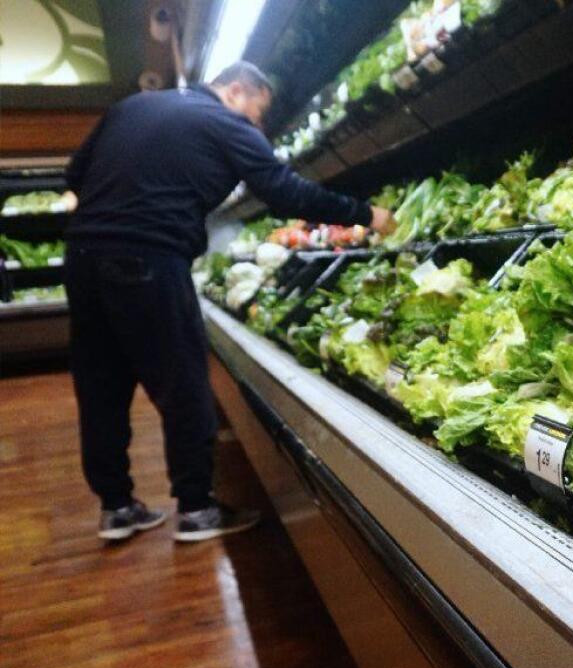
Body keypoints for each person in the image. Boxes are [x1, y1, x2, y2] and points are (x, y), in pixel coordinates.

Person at [64, 61, 394, 542]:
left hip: (83, 257)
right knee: (181, 381)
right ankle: (196, 509)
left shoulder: (132, 106)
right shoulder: (224, 121)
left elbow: (75, 175)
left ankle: (116, 507)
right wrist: (365, 215)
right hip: (151, 256)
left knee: (101, 384)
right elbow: (282, 191)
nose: (255, 126)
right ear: (238, 90)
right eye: (257, 114)